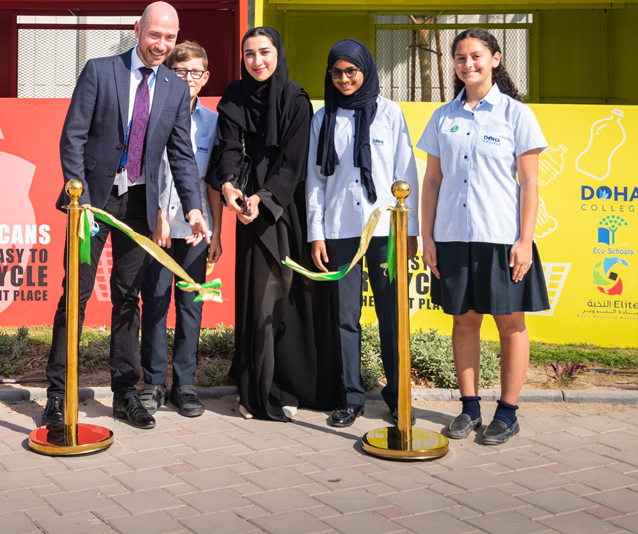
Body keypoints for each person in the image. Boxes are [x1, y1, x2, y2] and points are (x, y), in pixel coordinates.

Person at [43, 2, 210, 430]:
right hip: (92, 205)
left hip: (138, 206)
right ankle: (58, 396)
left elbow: (182, 155)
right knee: (76, 297)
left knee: (127, 298)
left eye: (169, 38)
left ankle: (125, 392)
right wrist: (78, 199)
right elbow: (72, 137)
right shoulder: (101, 70)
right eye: (155, 35)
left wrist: (192, 207)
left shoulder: (174, 87)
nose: (161, 45)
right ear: (138, 29)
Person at [417, 27, 549, 445]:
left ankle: (507, 413)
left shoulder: (516, 114)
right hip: (453, 237)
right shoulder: (443, 116)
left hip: (502, 237)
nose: (468, 64)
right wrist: (428, 238)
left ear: (494, 59)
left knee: (511, 324)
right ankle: (469, 407)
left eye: (476, 56)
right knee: (464, 321)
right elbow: (433, 181)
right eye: (460, 58)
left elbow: (530, 183)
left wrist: (524, 239)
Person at [212, 26, 340, 421]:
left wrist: (263, 200)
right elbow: (228, 149)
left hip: (285, 208)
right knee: (257, 299)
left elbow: (292, 162)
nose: (257, 61)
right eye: (249, 54)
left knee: (289, 297)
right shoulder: (234, 95)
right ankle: (256, 390)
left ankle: (293, 385)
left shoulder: (295, 98)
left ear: (277, 53)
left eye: (264, 52)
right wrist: (230, 187)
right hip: (247, 209)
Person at [306, 39, 419, 428]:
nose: (343, 79)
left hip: (387, 228)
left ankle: (397, 397)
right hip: (340, 230)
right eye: (336, 73)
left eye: (350, 71)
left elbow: (406, 174)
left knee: (392, 315)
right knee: (345, 317)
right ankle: (351, 397)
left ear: (365, 71)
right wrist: (316, 233)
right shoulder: (324, 118)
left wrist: (411, 230)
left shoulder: (390, 114)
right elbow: (316, 182)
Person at [138, 42, 224, 418]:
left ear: (205, 78)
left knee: (190, 305)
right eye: (180, 71)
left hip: (195, 229)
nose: (187, 79)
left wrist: (216, 231)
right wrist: (157, 213)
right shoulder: (152, 113)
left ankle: (184, 385)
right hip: (157, 226)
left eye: (195, 72)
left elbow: (212, 184)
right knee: (155, 302)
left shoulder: (213, 123)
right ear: (168, 74)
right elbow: (147, 170)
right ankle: (154, 383)